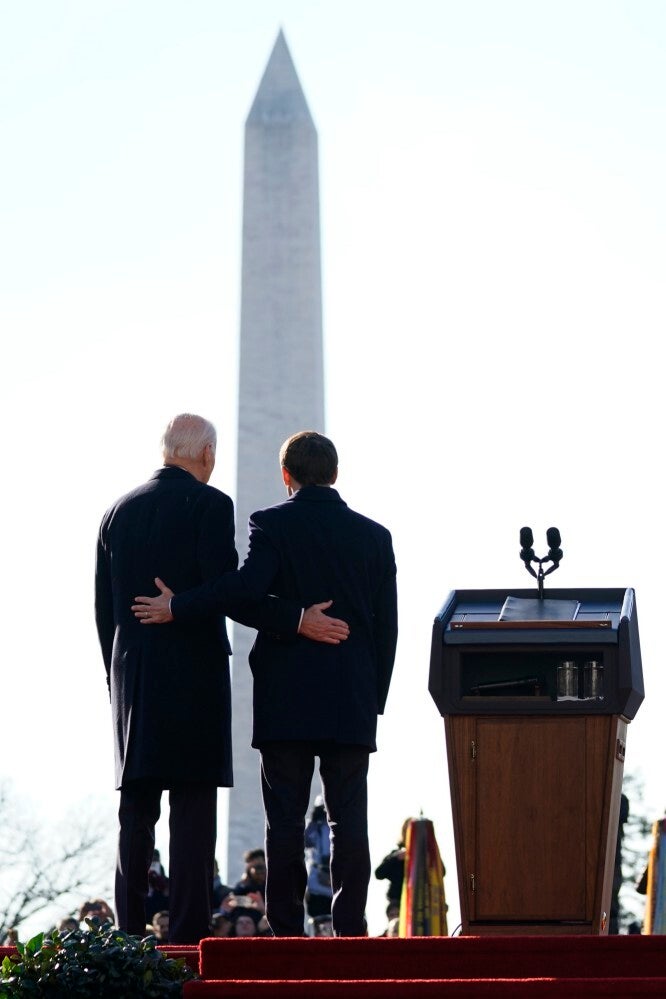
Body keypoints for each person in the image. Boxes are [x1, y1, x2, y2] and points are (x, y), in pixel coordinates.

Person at [132, 430, 398, 937]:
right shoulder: (374, 536)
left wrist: (178, 606)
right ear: (335, 474)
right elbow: (388, 627)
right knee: (350, 821)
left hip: (286, 697)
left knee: (285, 820)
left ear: (285, 476)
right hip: (351, 698)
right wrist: (372, 698)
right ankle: (350, 927)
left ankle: (287, 930)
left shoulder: (271, 524)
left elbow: (244, 592)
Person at [95, 415, 349, 944]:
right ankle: (186, 934)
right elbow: (233, 591)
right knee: (191, 812)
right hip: (193, 679)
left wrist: (114, 679)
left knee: (135, 812)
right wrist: (296, 619)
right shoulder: (210, 506)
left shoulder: (115, 512)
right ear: (207, 454)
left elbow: (104, 612)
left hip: (133, 682)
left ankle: (126, 934)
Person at [304, 796, 332, 918]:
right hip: (317, 879)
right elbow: (305, 841)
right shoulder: (314, 826)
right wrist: (313, 820)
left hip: (336, 875)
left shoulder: (340, 825)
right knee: (318, 917)